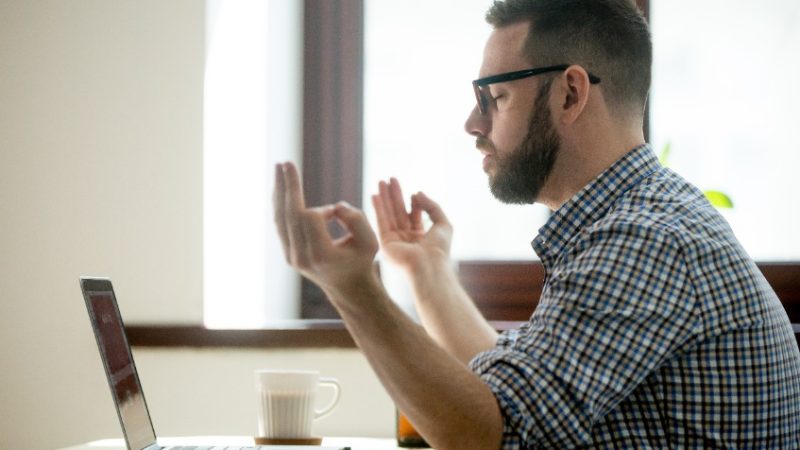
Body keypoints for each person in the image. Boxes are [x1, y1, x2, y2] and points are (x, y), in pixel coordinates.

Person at [273, 0, 800, 448]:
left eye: (494, 98)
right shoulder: (645, 217)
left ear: (570, 94)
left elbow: (494, 435)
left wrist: (354, 290)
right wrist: (428, 275)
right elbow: (517, 395)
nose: (473, 124)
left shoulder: (644, 241)